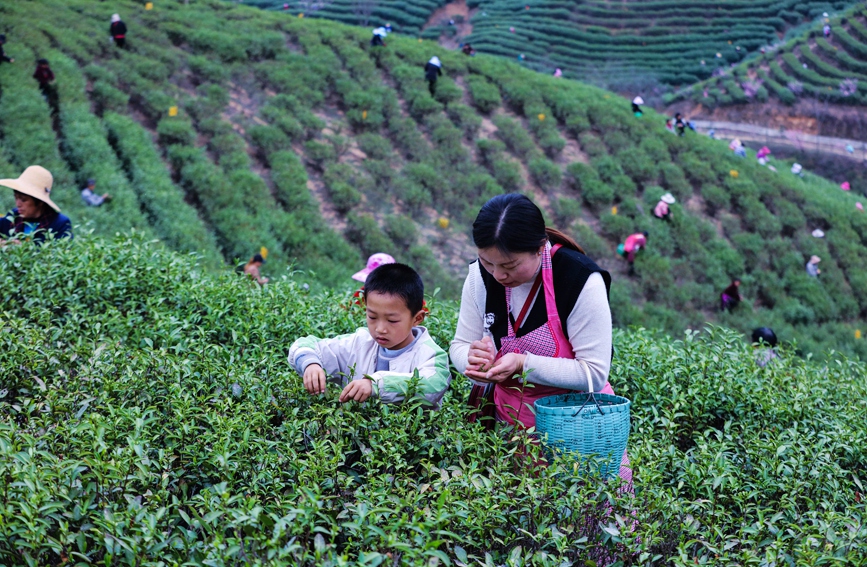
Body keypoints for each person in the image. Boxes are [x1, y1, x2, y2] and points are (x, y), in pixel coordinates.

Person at [449, 193, 632, 479]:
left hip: (579, 427)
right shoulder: (479, 276)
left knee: (590, 514)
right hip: (509, 426)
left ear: (539, 248)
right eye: (488, 262)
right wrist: (472, 362)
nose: (497, 275)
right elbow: (460, 345)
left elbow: (593, 373)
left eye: (509, 266)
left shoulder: (579, 278)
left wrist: (523, 364)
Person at [288, 263, 450, 408]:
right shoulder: (359, 342)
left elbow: (432, 386)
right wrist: (311, 364)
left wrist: (376, 385)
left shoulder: (431, 355)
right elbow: (305, 345)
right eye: (372, 317)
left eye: (392, 320)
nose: (380, 329)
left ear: (417, 318)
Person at [0, 165, 73, 244]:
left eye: (24, 200)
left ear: (40, 201)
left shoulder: (60, 223)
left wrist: (22, 248)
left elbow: (63, 251)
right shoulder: (13, 217)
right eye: (16, 198)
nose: (18, 204)